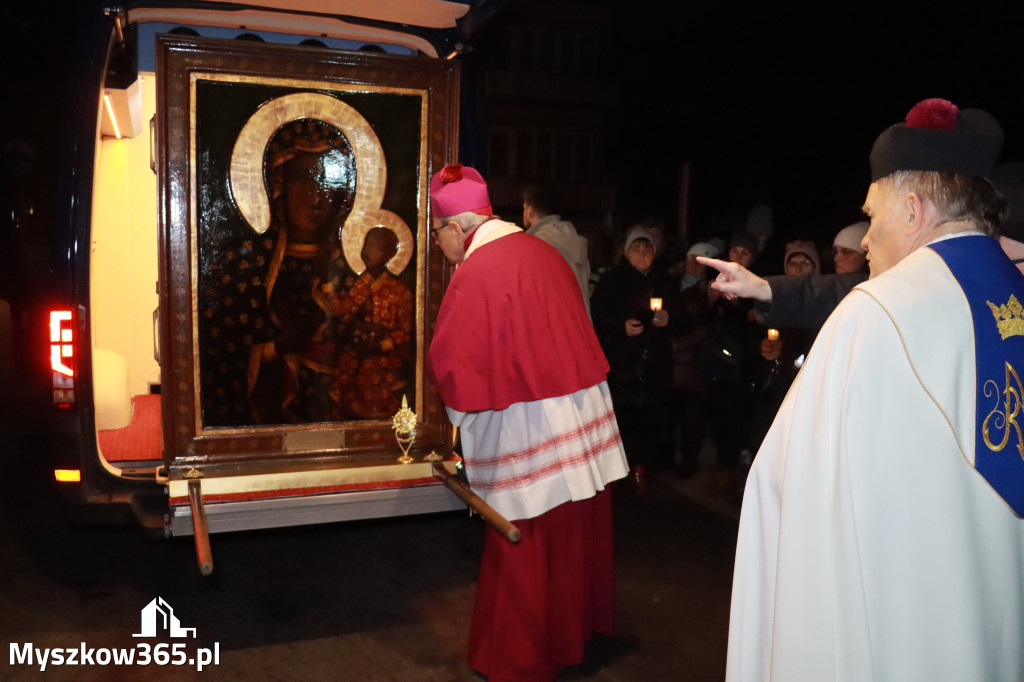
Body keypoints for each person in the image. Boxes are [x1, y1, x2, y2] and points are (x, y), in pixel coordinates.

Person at [723, 98, 1024, 681]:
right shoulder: (1011, 291)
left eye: (872, 213)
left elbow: (795, 495)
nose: (865, 239)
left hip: (904, 638)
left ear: (912, 211)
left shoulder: (876, 312)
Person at [425, 163, 629, 682]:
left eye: (436, 234)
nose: (438, 246)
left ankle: (518, 655)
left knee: (527, 542)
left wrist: (452, 424)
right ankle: (568, 637)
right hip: (579, 413)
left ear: (457, 227)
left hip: (530, 424)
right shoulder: (543, 252)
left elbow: (455, 366)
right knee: (569, 537)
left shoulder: (478, 270)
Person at [591, 226, 681, 490]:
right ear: (625, 251)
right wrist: (621, 326)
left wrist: (668, 318)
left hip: (654, 361)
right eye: (636, 248)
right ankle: (615, 470)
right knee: (621, 417)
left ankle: (641, 468)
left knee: (649, 419)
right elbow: (597, 316)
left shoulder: (664, 281)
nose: (642, 253)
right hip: (623, 361)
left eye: (647, 248)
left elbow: (684, 318)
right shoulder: (611, 280)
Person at [330, 226, 413, 419]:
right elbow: (343, 313)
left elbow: (405, 329)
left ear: (388, 254)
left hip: (387, 356)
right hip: (358, 351)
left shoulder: (399, 289)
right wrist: (328, 289)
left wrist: (382, 345)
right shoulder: (359, 285)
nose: (366, 252)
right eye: (365, 245)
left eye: (374, 248)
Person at [522, 183, 593, 316]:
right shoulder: (574, 240)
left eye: (524, 208)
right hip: (580, 327)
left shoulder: (538, 245)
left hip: (554, 328)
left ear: (530, 210)